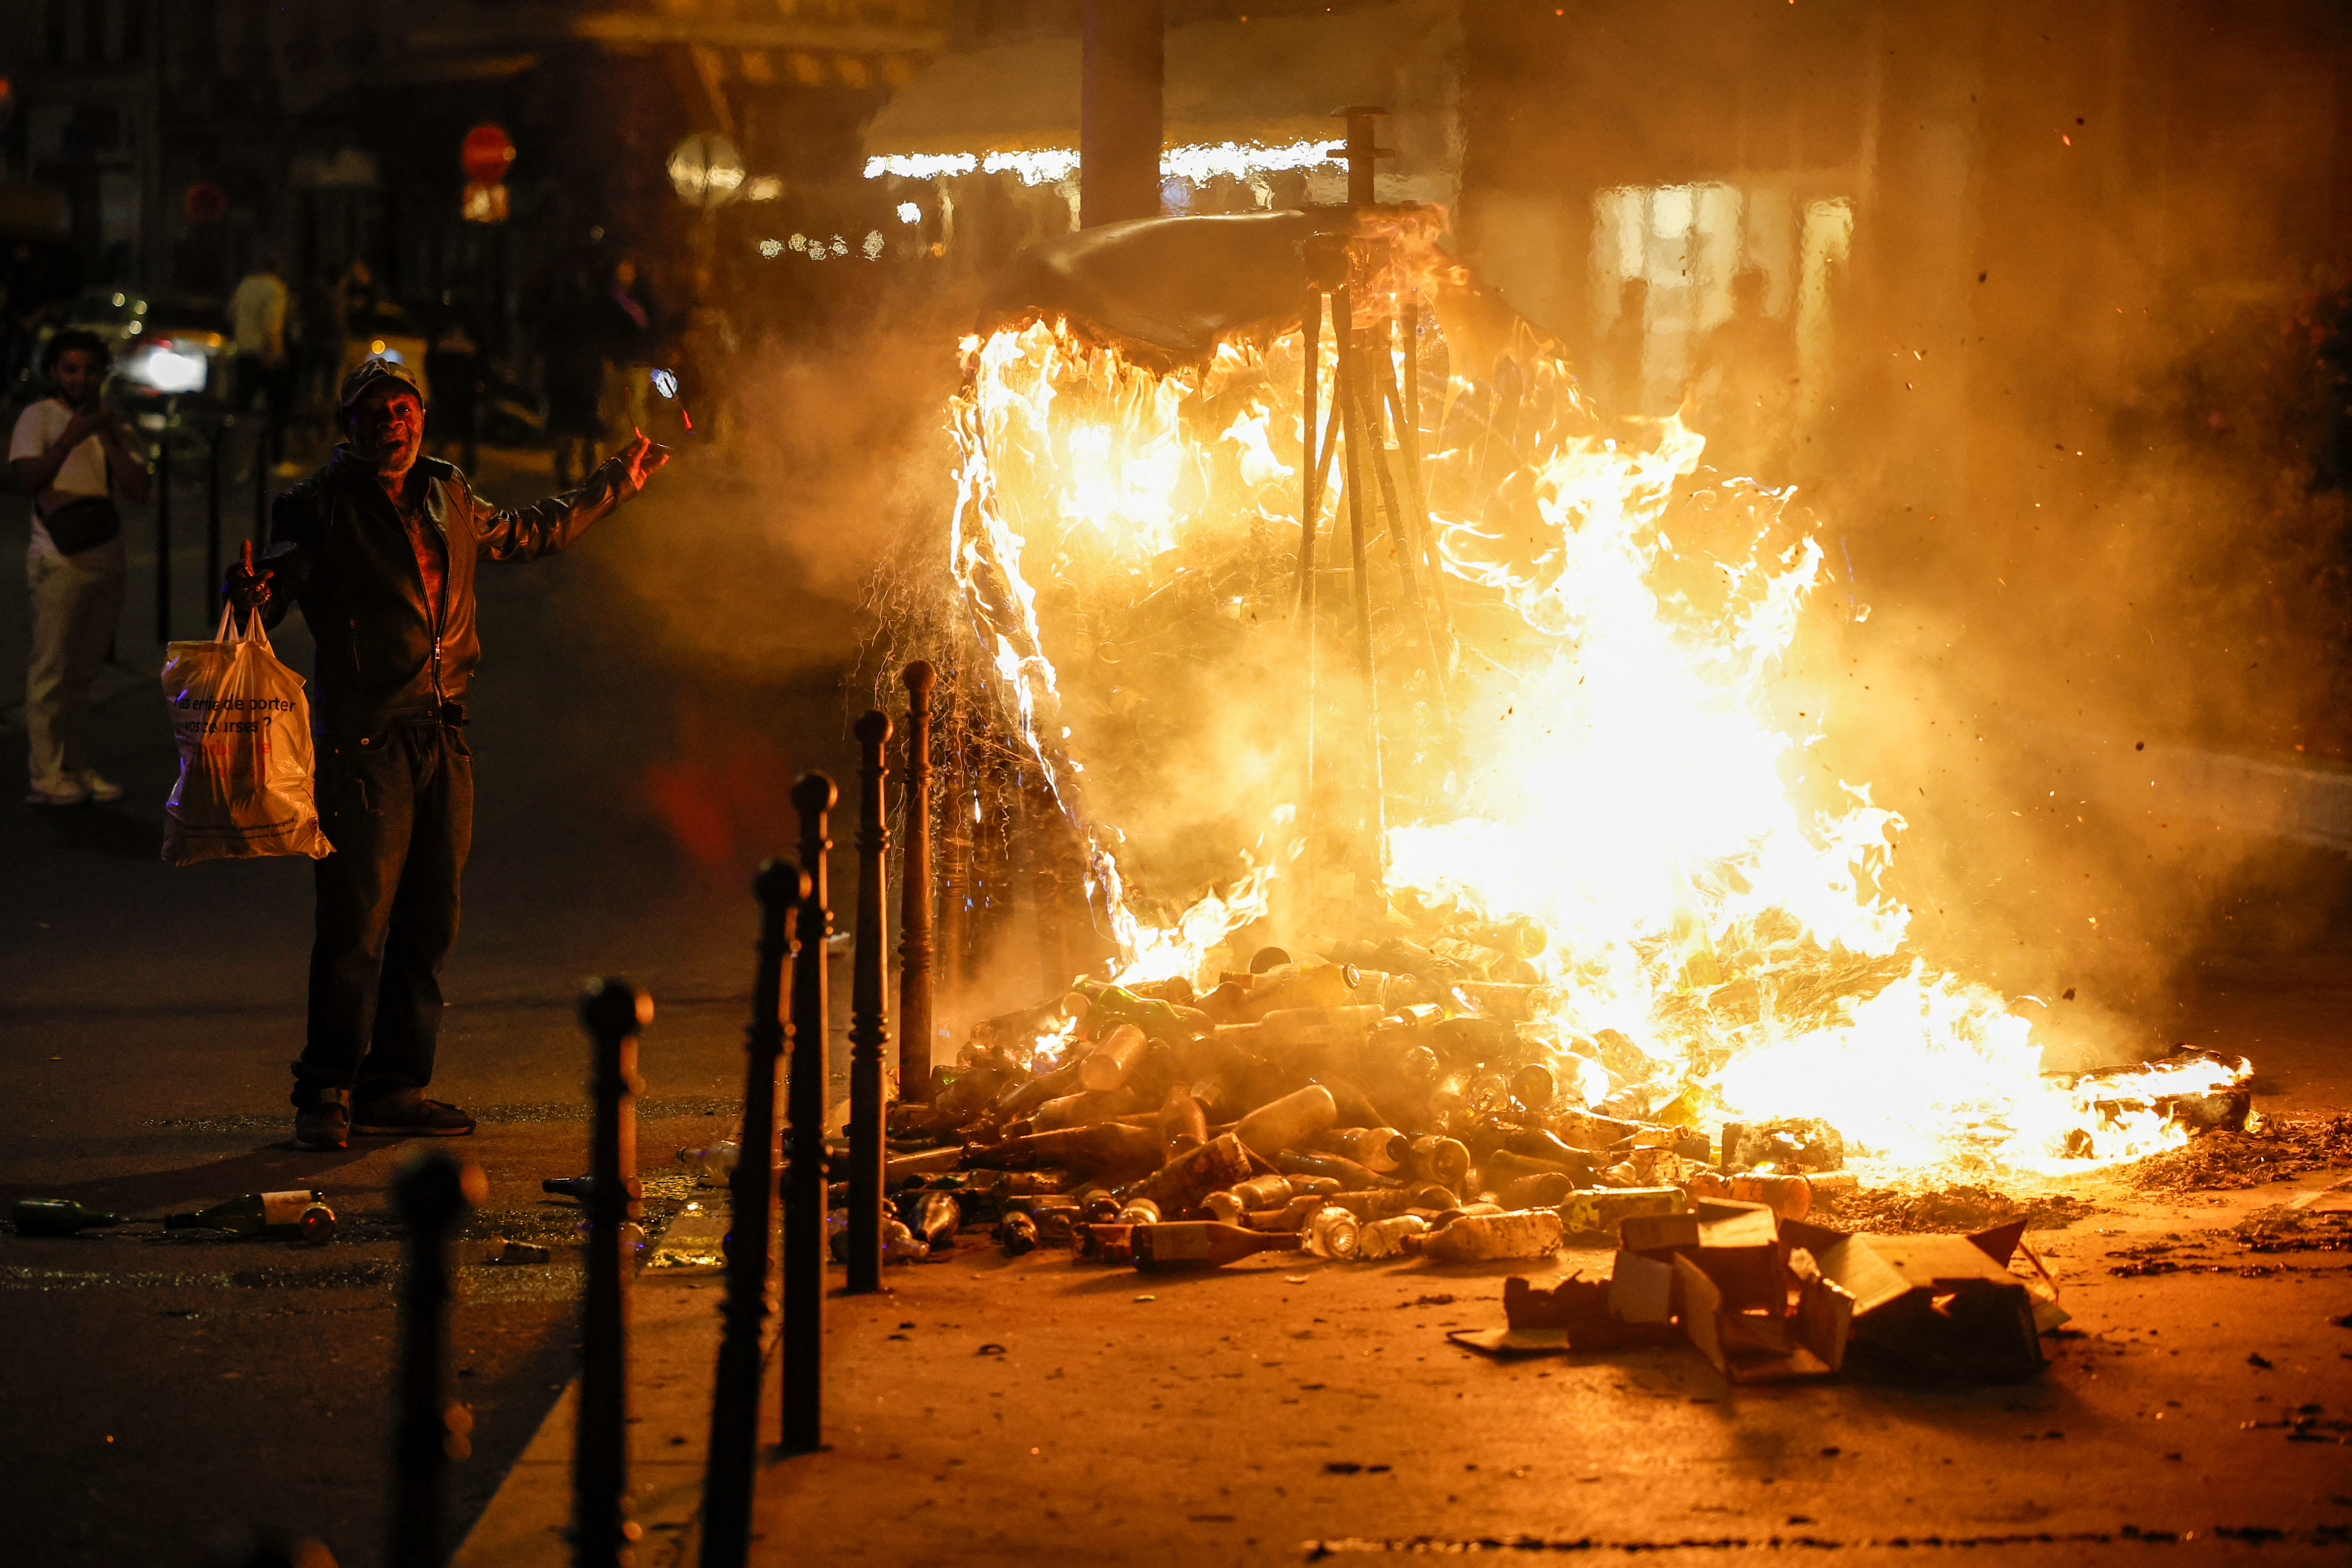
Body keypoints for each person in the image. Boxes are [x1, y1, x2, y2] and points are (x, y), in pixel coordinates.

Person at [223, 357, 668, 1150]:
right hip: (364, 737)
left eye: (404, 408)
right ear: (349, 425)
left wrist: (616, 483)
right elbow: (281, 580)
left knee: (431, 919)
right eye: (375, 411)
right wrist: (253, 588)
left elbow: (528, 533)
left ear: (421, 416)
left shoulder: (448, 490)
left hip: (444, 730)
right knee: (357, 920)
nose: (393, 422)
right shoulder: (320, 503)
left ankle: (394, 1085)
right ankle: (324, 1089)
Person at [9, 328, 151, 805]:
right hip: (59, 558)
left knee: (85, 672)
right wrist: (68, 440)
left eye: (91, 370)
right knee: (52, 669)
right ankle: (46, 775)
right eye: (71, 369)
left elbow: (139, 488)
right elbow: (28, 479)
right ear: (54, 372)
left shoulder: (114, 423)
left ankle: (76, 765)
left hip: (107, 557)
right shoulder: (38, 417)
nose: (81, 378)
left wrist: (108, 437)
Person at [228, 251, 293, 451]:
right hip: (264, 354)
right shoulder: (276, 289)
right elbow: (271, 325)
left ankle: (228, 450)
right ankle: (275, 455)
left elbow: (231, 313)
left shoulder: (246, 285)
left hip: (244, 351)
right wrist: (273, 354)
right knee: (278, 409)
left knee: (240, 406)